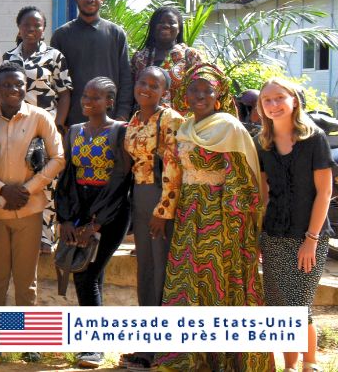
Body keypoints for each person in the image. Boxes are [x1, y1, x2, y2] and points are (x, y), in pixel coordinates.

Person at [155, 63, 273, 372]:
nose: (199, 96)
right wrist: (167, 210)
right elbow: (176, 173)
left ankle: (225, 358)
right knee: (187, 278)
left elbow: (243, 178)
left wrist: (233, 220)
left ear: (217, 97)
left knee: (218, 276)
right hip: (188, 213)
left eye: (206, 91)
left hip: (221, 216)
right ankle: (191, 357)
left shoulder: (229, 128)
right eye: (193, 90)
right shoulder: (184, 127)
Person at [0, 62, 64, 361]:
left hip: (29, 210)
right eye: (6, 85)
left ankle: (28, 340)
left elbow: (58, 157)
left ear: (24, 86)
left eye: (18, 84)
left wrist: (28, 188)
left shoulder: (40, 117)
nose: (13, 89)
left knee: (26, 280)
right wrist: (2, 189)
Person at [56, 77, 132, 370]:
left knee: (87, 274)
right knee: (86, 273)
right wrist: (65, 218)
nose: (88, 101)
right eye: (85, 96)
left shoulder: (120, 132)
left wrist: (96, 223)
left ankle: (94, 347)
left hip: (111, 213)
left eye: (96, 97)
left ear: (109, 102)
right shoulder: (74, 132)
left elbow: (120, 180)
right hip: (79, 209)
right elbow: (67, 178)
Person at [258, 77, 332, 372]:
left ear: (293, 101)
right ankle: (290, 367)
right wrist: (257, 237)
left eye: (279, 98)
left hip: (309, 237)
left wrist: (311, 239)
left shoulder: (314, 139)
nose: (273, 105)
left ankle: (310, 365)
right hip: (273, 237)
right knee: (279, 309)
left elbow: (325, 192)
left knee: (298, 307)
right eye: (267, 101)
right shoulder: (262, 143)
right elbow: (264, 196)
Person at [121, 66, 183, 371]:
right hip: (140, 197)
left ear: (164, 92)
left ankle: (159, 350)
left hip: (161, 200)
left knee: (161, 273)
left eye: (154, 85)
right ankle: (146, 341)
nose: (146, 88)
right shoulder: (135, 118)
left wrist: (163, 210)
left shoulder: (169, 118)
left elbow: (174, 165)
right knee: (145, 271)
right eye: (142, 82)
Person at [3, 5, 73, 254]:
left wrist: (57, 126)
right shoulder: (9, 57)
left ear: (43, 29)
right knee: (20, 179)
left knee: (46, 181)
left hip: (44, 127)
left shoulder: (54, 56)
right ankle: (20, 231)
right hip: (16, 125)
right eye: (26, 25)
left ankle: (46, 237)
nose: (31, 29)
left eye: (37, 25)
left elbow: (64, 94)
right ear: (19, 28)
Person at [51, 0, 133, 128]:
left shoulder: (116, 33)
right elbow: (55, 82)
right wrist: (60, 122)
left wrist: (122, 114)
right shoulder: (61, 35)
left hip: (111, 120)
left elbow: (126, 76)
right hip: (72, 121)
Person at [130, 6, 205, 115]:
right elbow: (130, 92)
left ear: (179, 28)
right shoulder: (139, 58)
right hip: (145, 123)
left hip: (181, 125)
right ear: (153, 27)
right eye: (160, 22)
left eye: (171, 22)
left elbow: (203, 90)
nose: (165, 25)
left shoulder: (191, 56)